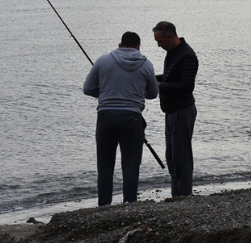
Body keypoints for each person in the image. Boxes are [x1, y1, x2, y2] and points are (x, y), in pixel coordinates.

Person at [83, 31, 159, 206]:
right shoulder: (146, 65)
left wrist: (104, 94)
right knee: (131, 164)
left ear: (119, 45)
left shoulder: (103, 61)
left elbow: (88, 89)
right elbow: (153, 94)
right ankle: (130, 203)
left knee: (105, 164)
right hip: (132, 119)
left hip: (106, 117)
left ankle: (104, 205)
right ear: (138, 47)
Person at [152, 21, 199, 198]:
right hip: (171, 111)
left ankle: (184, 196)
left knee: (181, 158)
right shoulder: (172, 52)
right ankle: (177, 195)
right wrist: (149, 78)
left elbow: (186, 86)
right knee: (172, 157)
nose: (159, 45)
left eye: (160, 41)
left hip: (182, 111)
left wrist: (159, 85)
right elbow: (170, 77)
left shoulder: (187, 56)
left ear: (170, 36)